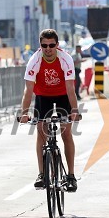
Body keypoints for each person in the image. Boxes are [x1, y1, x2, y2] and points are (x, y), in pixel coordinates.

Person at [19, 29, 80, 192]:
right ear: (40, 46)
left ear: (57, 45)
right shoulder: (34, 60)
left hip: (62, 95)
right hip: (42, 96)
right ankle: (41, 173)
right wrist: (24, 113)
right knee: (41, 131)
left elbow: (70, 88)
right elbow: (28, 89)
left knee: (66, 132)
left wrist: (74, 110)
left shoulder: (65, 59)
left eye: (52, 45)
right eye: (44, 45)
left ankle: (71, 176)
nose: (48, 49)